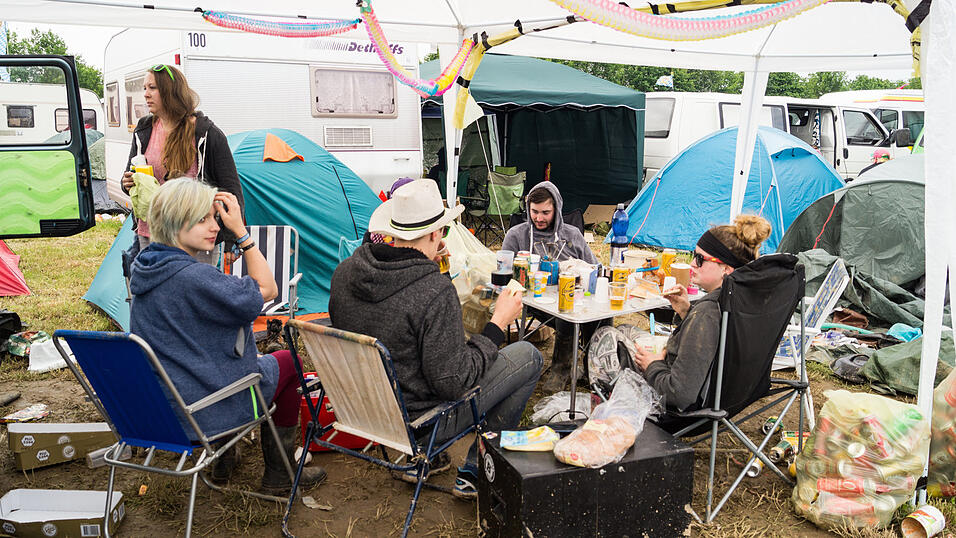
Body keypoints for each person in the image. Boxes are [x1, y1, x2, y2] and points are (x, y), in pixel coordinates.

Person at [329, 179, 542, 499]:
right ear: (434, 233)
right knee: (527, 354)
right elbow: (455, 381)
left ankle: (433, 463)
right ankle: (475, 469)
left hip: (362, 409)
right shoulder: (432, 293)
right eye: (442, 231)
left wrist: (437, 268)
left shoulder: (345, 272)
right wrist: (498, 322)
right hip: (421, 423)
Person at [129, 179, 326, 495]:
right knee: (290, 361)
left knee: (248, 357)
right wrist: (243, 235)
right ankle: (281, 473)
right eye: (203, 219)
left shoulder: (146, 269)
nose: (214, 227)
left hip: (160, 410)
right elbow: (269, 290)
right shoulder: (196, 278)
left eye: (214, 218)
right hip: (203, 411)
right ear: (175, 222)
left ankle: (225, 460)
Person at [632, 215, 772, 417]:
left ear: (726, 269)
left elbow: (679, 394)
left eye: (700, 259)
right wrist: (685, 312)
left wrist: (653, 365)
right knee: (628, 333)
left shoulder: (707, 312)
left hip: (681, 413)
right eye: (693, 256)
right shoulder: (745, 300)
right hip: (731, 399)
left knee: (610, 337)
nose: (692, 265)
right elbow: (717, 343)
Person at [121, 64, 244, 264]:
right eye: (144, 88)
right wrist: (127, 183)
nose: (145, 94)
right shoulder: (144, 130)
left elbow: (231, 189)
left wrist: (231, 238)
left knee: (197, 293)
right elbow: (128, 179)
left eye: (152, 88)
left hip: (195, 234)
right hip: (152, 233)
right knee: (157, 292)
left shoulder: (205, 133)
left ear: (170, 90)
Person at [502, 182, 598, 392]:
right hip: (537, 301)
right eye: (534, 212)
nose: (539, 218)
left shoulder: (572, 235)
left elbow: (594, 267)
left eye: (545, 212)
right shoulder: (517, 235)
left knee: (601, 314)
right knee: (566, 309)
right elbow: (504, 272)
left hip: (576, 296)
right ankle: (561, 370)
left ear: (557, 209)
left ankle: (594, 371)